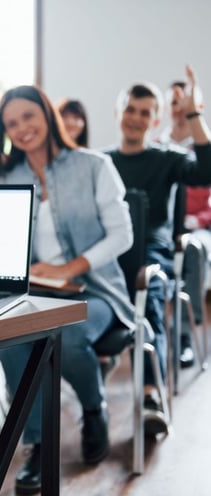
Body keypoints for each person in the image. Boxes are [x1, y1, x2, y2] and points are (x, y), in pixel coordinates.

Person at [0, 85, 134, 495]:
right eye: (11, 123)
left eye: (28, 117)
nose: (21, 128)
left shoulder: (94, 165)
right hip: (35, 293)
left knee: (67, 337)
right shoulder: (8, 176)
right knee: (9, 343)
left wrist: (71, 267)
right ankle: (37, 443)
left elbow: (122, 234)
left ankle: (93, 407)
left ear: (47, 116)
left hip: (96, 290)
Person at [105, 64, 211, 435]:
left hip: (151, 254)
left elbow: (207, 170)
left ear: (156, 119)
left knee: (146, 291)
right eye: (131, 110)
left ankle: (151, 394)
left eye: (145, 113)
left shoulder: (167, 158)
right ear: (119, 113)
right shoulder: (102, 163)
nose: (136, 118)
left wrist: (195, 112)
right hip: (107, 253)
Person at [160, 79, 211, 368]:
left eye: (185, 103)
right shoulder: (155, 147)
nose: (179, 109)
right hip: (164, 234)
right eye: (174, 103)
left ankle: (184, 337)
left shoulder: (204, 148)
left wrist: (198, 219)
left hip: (198, 231)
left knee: (193, 250)